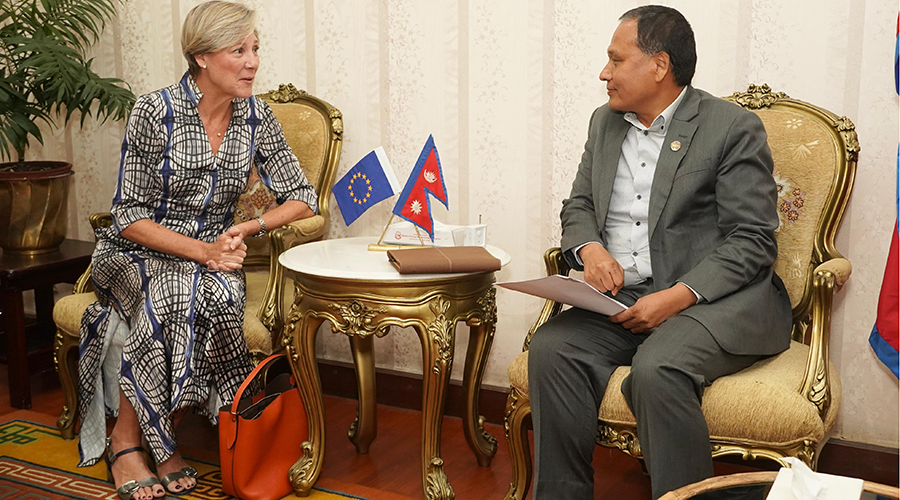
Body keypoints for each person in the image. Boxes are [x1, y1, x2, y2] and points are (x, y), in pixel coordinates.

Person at [527, 5, 792, 499]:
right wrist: (590, 249)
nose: (603, 73)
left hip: (711, 302)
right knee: (552, 348)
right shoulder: (604, 124)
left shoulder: (730, 127)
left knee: (656, 370)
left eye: (616, 59)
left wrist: (678, 296)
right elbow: (579, 205)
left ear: (659, 65)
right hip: (626, 297)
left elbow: (753, 238)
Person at [76, 2, 318, 499]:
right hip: (133, 251)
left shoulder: (257, 116)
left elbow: (302, 197)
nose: (253, 62)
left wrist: (245, 227)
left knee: (216, 295)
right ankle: (136, 445)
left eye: (255, 49)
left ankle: (150, 437)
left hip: (214, 253)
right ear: (202, 57)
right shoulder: (155, 112)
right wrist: (203, 252)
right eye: (239, 51)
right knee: (174, 289)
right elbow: (129, 215)